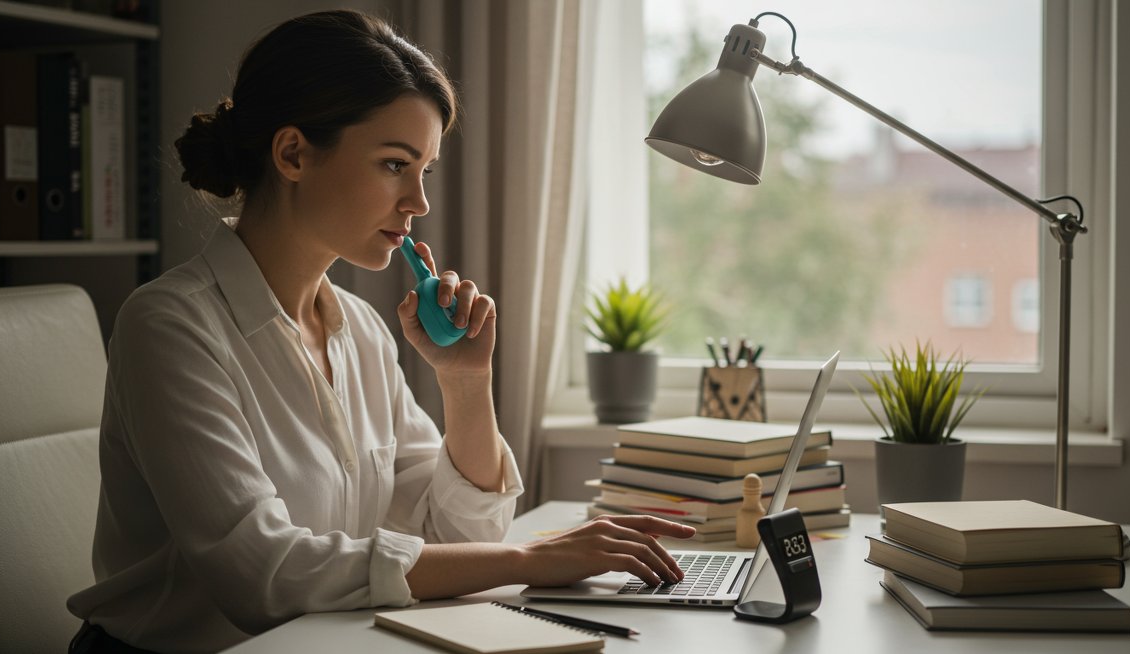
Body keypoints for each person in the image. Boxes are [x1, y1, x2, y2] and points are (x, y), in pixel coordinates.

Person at [66, 9, 693, 654]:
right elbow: (262, 576)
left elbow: (456, 535)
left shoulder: (361, 330)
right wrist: (528, 562)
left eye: (425, 170)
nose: (418, 201)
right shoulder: (170, 327)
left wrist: (465, 381)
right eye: (395, 164)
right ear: (292, 154)